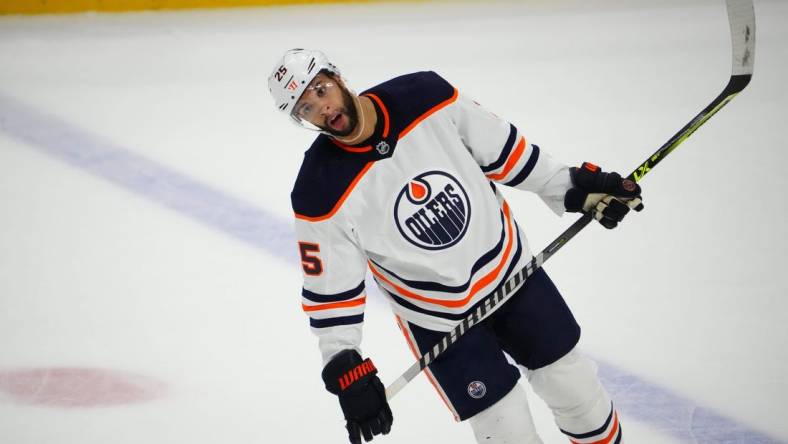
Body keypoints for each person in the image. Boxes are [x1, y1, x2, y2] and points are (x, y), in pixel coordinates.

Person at [268, 48, 642, 444]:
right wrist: (343, 363)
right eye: (307, 109)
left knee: (577, 391)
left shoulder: (425, 95)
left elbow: (507, 153)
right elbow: (332, 294)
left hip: (512, 276)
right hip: (440, 319)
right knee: (507, 432)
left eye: (322, 90)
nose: (323, 109)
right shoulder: (317, 191)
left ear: (338, 77)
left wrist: (570, 189)